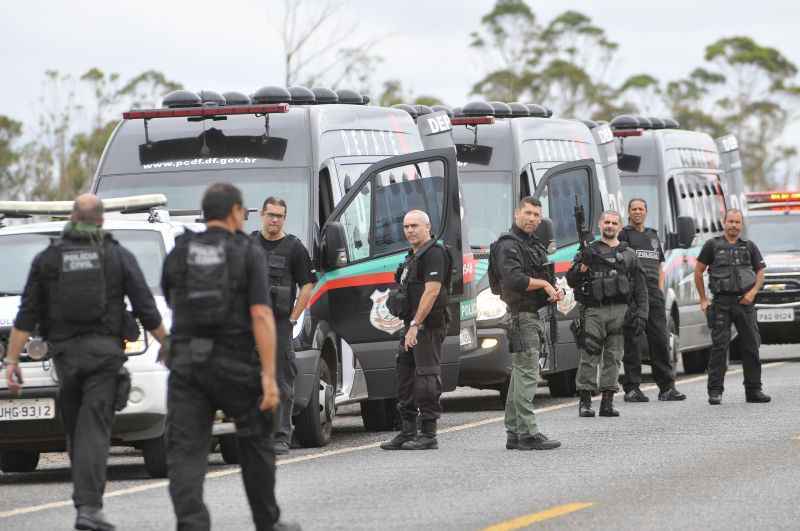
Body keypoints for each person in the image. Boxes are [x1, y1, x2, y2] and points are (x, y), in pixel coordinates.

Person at [3, 194, 167, 531]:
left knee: (78, 431)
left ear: (71, 218)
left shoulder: (49, 258)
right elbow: (146, 308)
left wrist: (10, 361)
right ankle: (89, 508)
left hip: (65, 360)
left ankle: (86, 503)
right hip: (104, 359)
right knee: (94, 432)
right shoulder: (117, 255)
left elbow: (26, 314)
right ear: (101, 220)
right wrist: (169, 344)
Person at [161, 183, 299, 530]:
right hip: (235, 362)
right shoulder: (247, 251)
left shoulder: (180, 252)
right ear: (237, 212)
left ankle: (191, 524)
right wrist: (269, 377)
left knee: (186, 451)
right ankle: (267, 522)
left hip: (187, 365)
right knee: (256, 443)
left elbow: (169, 297)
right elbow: (262, 316)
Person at [492, 197, 562, 451]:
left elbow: (541, 275)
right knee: (527, 373)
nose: (533, 219)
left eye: (537, 215)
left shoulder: (532, 244)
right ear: (516, 214)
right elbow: (513, 279)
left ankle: (514, 431)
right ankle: (528, 433)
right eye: (528, 213)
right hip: (521, 315)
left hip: (532, 313)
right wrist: (543, 285)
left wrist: (552, 290)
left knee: (520, 374)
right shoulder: (508, 245)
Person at [567, 210, 648, 418]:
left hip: (621, 311)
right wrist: (584, 263)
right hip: (594, 310)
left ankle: (607, 402)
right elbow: (571, 280)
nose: (610, 226)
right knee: (589, 354)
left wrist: (642, 314)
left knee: (614, 357)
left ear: (620, 227)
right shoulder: (589, 251)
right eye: (606, 222)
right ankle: (585, 402)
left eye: (614, 223)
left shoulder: (628, 254)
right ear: (600, 225)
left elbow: (640, 288)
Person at [380, 210, 450, 451]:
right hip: (411, 324)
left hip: (427, 326)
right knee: (405, 375)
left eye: (415, 226)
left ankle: (428, 433)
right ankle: (407, 430)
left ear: (427, 227)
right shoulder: (413, 256)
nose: (409, 230)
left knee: (427, 377)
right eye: (406, 226)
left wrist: (416, 325)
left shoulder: (435, 253)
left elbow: (431, 292)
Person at [251, 197, 315, 455]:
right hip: (250, 324)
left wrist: (292, 318)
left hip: (278, 325)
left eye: (279, 215)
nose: (274, 220)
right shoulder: (248, 244)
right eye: (270, 215)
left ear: (284, 218)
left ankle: (280, 436)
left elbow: (308, 284)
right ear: (262, 215)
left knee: (281, 383)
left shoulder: (295, 248)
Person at [694, 208, 770, 405]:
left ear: (741, 225)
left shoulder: (749, 246)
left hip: (745, 302)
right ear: (724, 222)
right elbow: (698, 271)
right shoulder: (712, 245)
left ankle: (754, 390)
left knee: (751, 346)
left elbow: (760, 272)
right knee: (720, 347)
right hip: (721, 303)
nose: (734, 225)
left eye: (737, 222)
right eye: (731, 222)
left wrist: (752, 293)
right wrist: (703, 300)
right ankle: (715, 392)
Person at [619, 198, 686, 402]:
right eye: (634, 209)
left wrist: (658, 290)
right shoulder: (624, 235)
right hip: (633, 296)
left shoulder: (653, 236)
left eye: (641, 209)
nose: (637, 212)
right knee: (633, 341)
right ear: (628, 212)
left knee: (660, 340)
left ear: (646, 212)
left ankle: (667, 388)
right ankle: (632, 389)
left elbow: (659, 266)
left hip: (654, 295)